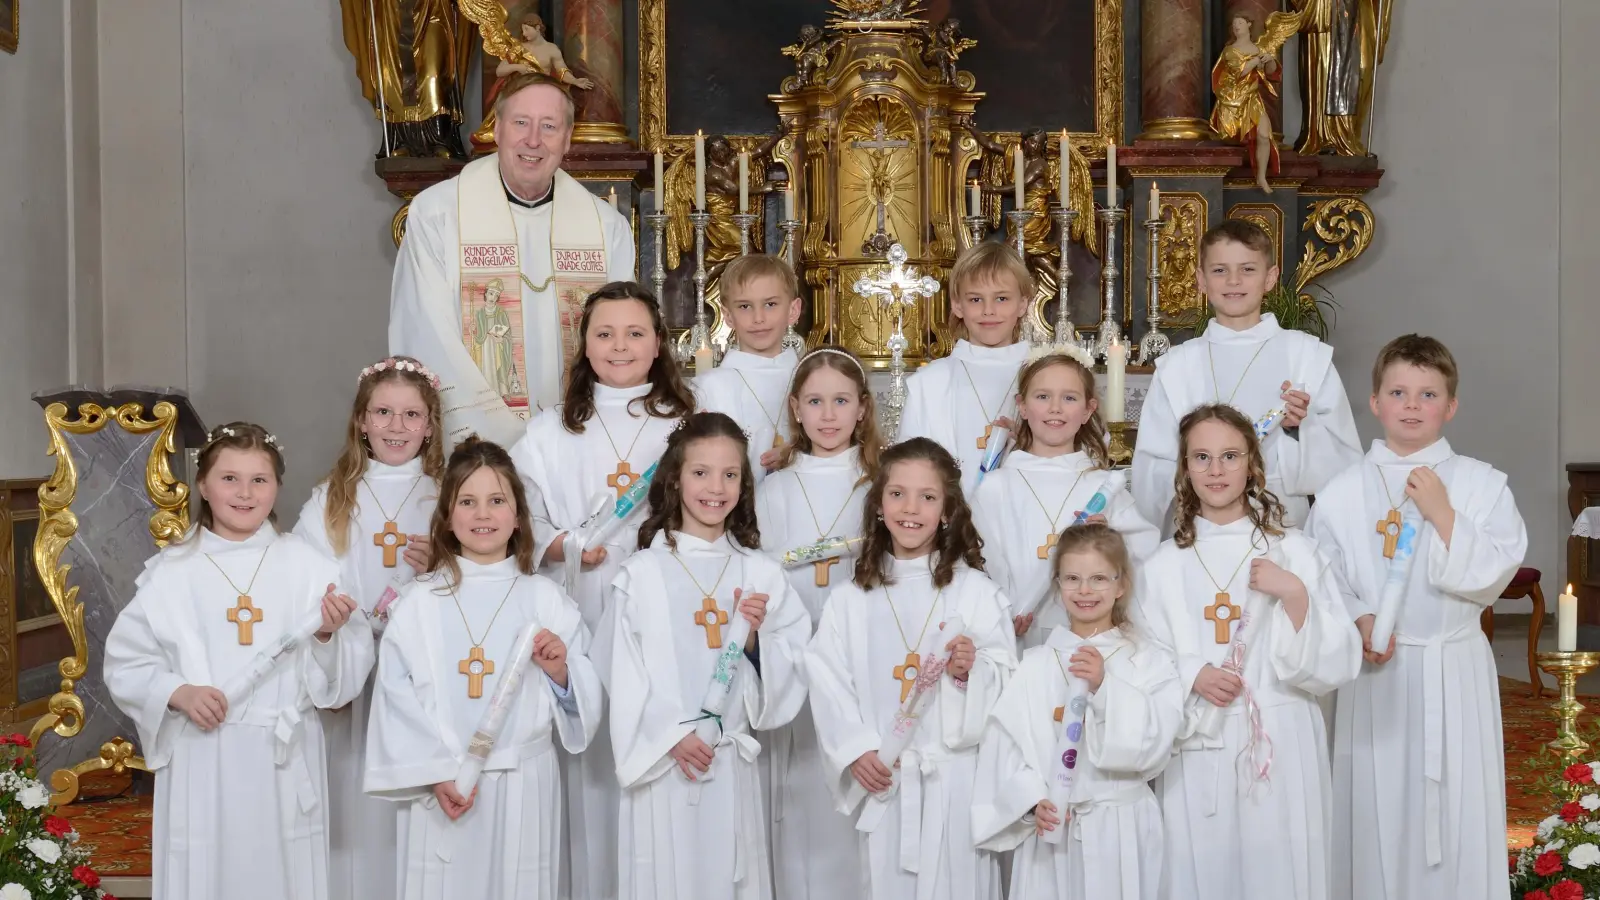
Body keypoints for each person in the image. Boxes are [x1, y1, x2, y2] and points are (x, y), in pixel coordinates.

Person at [104, 423, 374, 900]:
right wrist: (178, 692)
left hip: (282, 756)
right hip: (204, 753)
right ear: (203, 485)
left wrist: (329, 635)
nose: (245, 493)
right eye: (229, 479)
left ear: (277, 488)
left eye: (259, 480)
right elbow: (126, 661)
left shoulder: (309, 566)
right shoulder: (173, 571)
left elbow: (345, 673)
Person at [1305, 335, 1526, 900]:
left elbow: (1496, 570)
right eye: (1398, 391)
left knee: (1456, 803)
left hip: (1453, 669)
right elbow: (1323, 575)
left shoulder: (1480, 484)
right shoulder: (1340, 491)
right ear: (1374, 401)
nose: (1411, 404)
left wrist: (1442, 514)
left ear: (1450, 406)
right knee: (1375, 804)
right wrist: (1358, 622)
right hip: (1376, 673)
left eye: (1427, 394)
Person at [507, 281, 693, 900]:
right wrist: (562, 546)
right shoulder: (548, 432)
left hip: (667, 611)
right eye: (604, 333)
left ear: (659, 343)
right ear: (583, 345)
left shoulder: (686, 426)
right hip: (580, 603)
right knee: (591, 757)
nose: (620, 346)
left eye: (635, 333)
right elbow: (516, 513)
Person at [1134, 404, 1361, 900]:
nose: (1216, 470)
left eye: (1230, 456)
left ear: (1253, 466)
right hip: (1199, 740)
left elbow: (1338, 659)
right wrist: (1192, 673)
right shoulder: (1161, 566)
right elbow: (1140, 652)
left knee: (1278, 870)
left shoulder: (1294, 552)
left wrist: (1296, 595)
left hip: (1280, 735)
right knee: (1201, 870)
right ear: (1184, 469)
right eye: (1202, 457)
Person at [364, 436, 600, 898]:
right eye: (467, 502)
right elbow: (394, 694)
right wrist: (434, 773)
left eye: (497, 501)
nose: (483, 514)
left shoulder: (544, 598)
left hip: (523, 785)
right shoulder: (419, 601)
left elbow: (584, 696)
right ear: (448, 518)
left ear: (517, 516)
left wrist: (560, 673)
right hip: (441, 783)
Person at [608, 412, 812, 900]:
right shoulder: (641, 574)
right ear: (675, 479)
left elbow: (797, 662)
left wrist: (756, 643)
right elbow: (622, 673)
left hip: (729, 766)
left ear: (744, 484)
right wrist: (670, 736)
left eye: (730, 474)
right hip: (662, 766)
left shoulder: (760, 574)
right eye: (700, 473)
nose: (715, 488)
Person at [805, 438, 1017, 900]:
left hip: (955, 783)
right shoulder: (849, 599)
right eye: (897, 493)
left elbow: (1006, 681)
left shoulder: (976, 593)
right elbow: (827, 680)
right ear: (879, 505)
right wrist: (857, 750)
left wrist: (968, 671)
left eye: (928, 496)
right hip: (888, 777)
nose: (911, 508)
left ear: (947, 511)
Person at [390, 71, 635, 448]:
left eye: (549, 126)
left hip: (577, 442)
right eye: (521, 122)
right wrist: (492, 433)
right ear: (498, 130)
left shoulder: (606, 228)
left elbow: (622, 335)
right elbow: (425, 330)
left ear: (568, 139)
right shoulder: (438, 214)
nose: (533, 140)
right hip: (475, 445)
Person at [294, 356, 443, 900]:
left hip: (423, 675)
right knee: (356, 802)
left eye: (411, 415)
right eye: (383, 412)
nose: (396, 427)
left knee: (414, 803)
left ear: (430, 424)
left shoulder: (447, 495)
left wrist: (443, 568)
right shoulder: (331, 498)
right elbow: (305, 578)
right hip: (352, 675)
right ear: (361, 420)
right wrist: (336, 625)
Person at [972, 524, 1182, 900]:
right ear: (1057, 585)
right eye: (1072, 578)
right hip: (1053, 833)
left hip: (1122, 828)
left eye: (1099, 578)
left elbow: (1158, 742)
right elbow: (1005, 748)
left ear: (1121, 585)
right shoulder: (1034, 665)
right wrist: (1032, 802)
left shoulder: (1146, 659)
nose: (1085, 591)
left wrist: (1105, 690)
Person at [755, 346, 885, 900]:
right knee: (802, 786)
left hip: (862, 658)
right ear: (795, 408)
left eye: (840, 401)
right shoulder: (774, 488)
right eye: (815, 401)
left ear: (863, 409)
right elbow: (758, 568)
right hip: (793, 653)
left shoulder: (880, 483)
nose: (828, 415)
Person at [1131, 219, 1360, 532]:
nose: (1233, 281)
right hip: (1199, 522)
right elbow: (1152, 466)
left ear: (1270, 278)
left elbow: (1346, 462)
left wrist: (1300, 429)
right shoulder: (1177, 366)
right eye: (1220, 270)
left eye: (1248, 269)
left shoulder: (1307, 356)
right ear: (1200, 279)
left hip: (1279, 520)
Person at [972, 352, 1159, 647]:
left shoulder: (1102, 487)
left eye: (1069, 398)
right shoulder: (996, 487)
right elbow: (977, 561)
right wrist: (1001, 610)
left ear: (1088, 410)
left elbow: (1146, 558)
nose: (1055, 408)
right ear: (1022, 406)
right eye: (1043, 396)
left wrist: (1111, 541)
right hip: (1013, 634)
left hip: (1088, 641)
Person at [896, 242, 1032, 496]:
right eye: (975, 299)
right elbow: (908, 467)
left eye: (1001, 298)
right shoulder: (930, 382)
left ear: (1022, 304)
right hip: (952, 525)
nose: (988, 310)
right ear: (958, 305)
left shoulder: (1045, 376)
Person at [693, 254, 805, 484]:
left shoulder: (810, 378)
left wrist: (799, 453)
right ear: (727, 316)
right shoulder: (712, 386)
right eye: (745, 306)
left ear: (793, 310)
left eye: (770, 304)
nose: (758, 318)